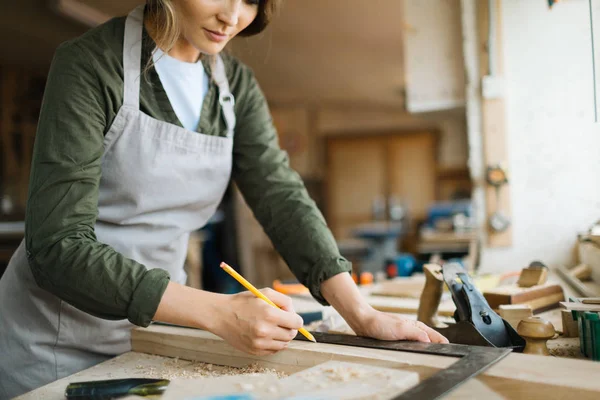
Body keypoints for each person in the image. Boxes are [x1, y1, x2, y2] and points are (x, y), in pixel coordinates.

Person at [0, 1, 447, 397]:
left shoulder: (234, 85)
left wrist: (361, 314)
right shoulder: (90, 64)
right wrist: (216, 311)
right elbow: (57, 246)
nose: (232, 16)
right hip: (56, 337)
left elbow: (280, 193)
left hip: (159, 329)